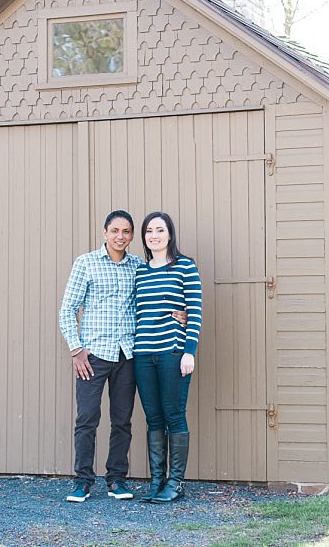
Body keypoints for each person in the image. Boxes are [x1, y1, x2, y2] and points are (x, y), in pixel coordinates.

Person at [58, 210, 142, 503]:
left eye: (126, 231)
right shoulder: (86, 263)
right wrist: (76, 349)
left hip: (127, 354)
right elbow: (68, 308)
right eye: (115, 230)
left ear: (131, 235)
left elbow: (150, 303)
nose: (121, 236)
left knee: (122, 420)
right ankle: (83, 480)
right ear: (104, 233)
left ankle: (116, 479)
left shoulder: (138, 267)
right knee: (88, 418)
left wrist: (177, 312)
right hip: (93, 355)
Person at [133, 211, 203, 503]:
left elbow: (195, 311)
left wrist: (190, 351)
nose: (154, 235)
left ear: (170, 234)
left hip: (173, 352)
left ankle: (176, 483)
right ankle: (157, 481)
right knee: (153, 418)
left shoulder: (185, 267)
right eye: (149, 231)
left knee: (174, 414)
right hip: (142, 353)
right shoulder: (140, 271)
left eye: (160, 230)